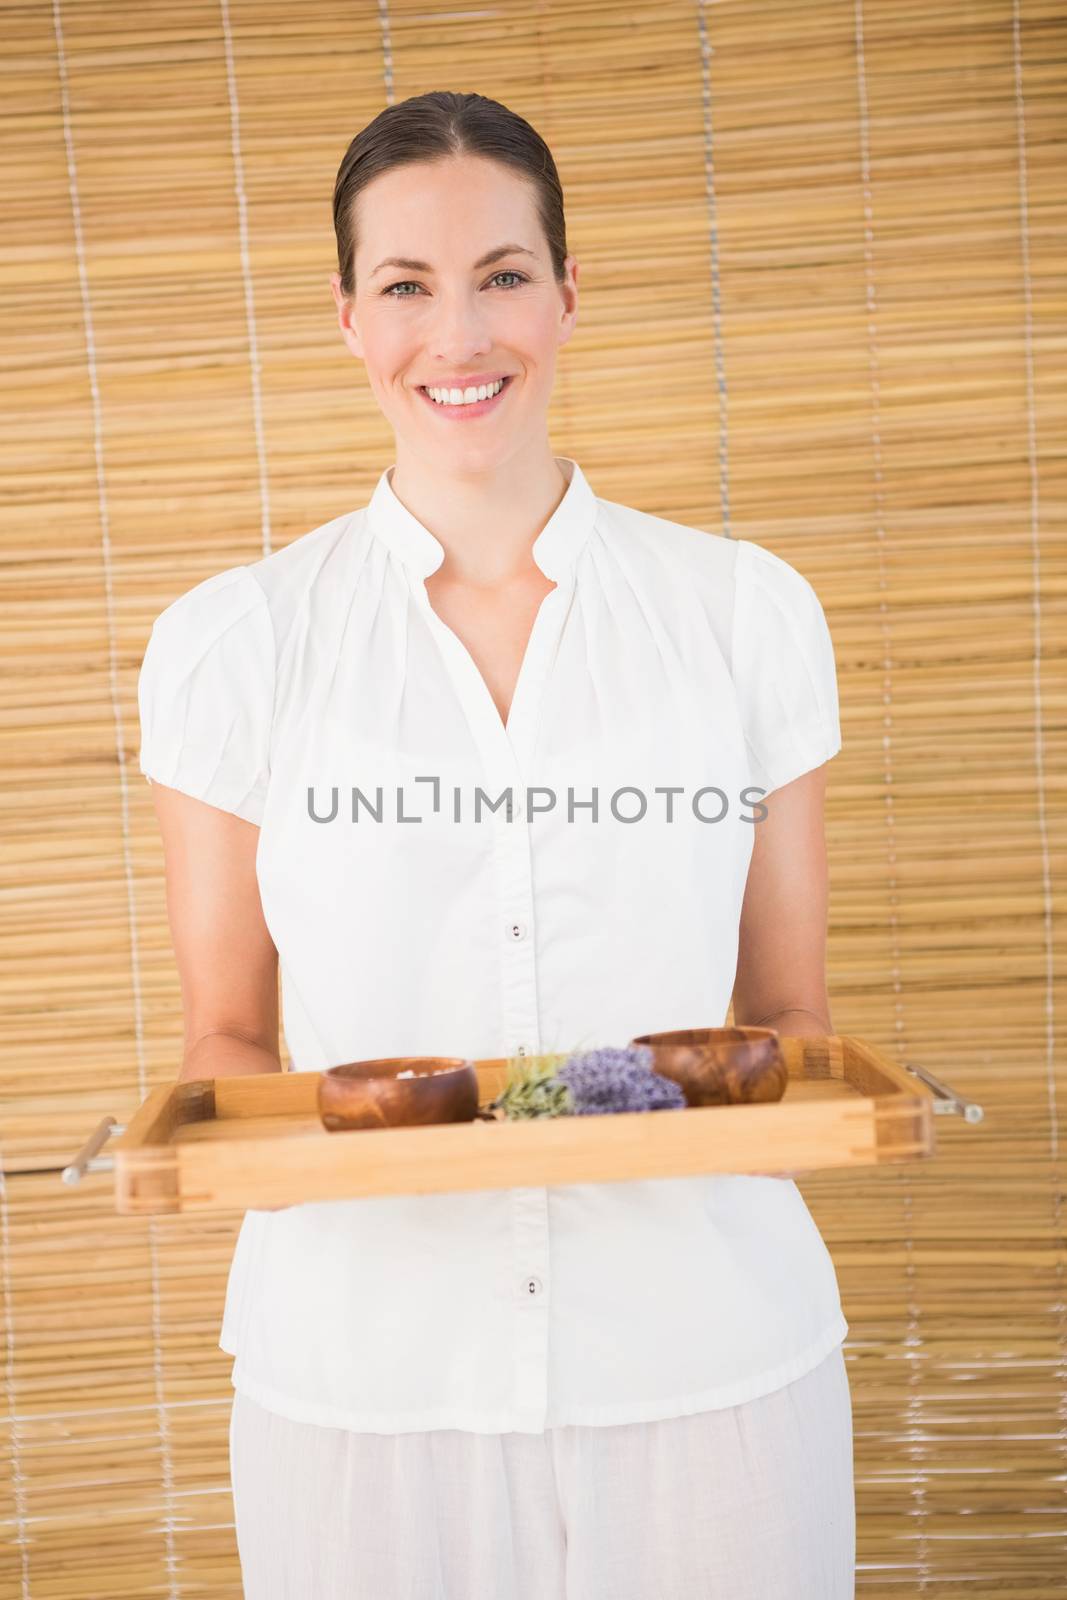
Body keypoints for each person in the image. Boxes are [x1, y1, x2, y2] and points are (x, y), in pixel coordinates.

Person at [138, 90, 855, 1600]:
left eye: (503, 275)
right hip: (365, 1394)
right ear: (347, 318)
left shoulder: (743, 616)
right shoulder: (235, 646)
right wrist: (227, 1157)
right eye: (405, 285)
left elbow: (788, 1024)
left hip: (707, 1365)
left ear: (570, 294)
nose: (457, 336)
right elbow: (226, 1038)